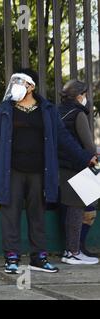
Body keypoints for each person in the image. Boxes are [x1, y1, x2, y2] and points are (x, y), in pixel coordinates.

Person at [0, 69, 97, 274]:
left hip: (39, 171)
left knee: (37, 214)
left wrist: (85, 157)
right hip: (10, 171)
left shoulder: (47, 110)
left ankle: (39, 258)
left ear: (31, 86)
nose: (15, 85)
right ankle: (11, 258)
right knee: (10, 214)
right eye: (13, 81)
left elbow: (64, 139)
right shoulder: (3, 110)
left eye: (20, 81)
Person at [57, 80, 98, 264]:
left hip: (61, 166)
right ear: (79, 96)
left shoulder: (58, 112)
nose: (87, 98)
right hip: (78, 167)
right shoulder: (78, 114)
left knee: (74, 208)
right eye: (85, 94)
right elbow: (88, 144)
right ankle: (73, 251)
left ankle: (75, 249)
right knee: (80, 209)